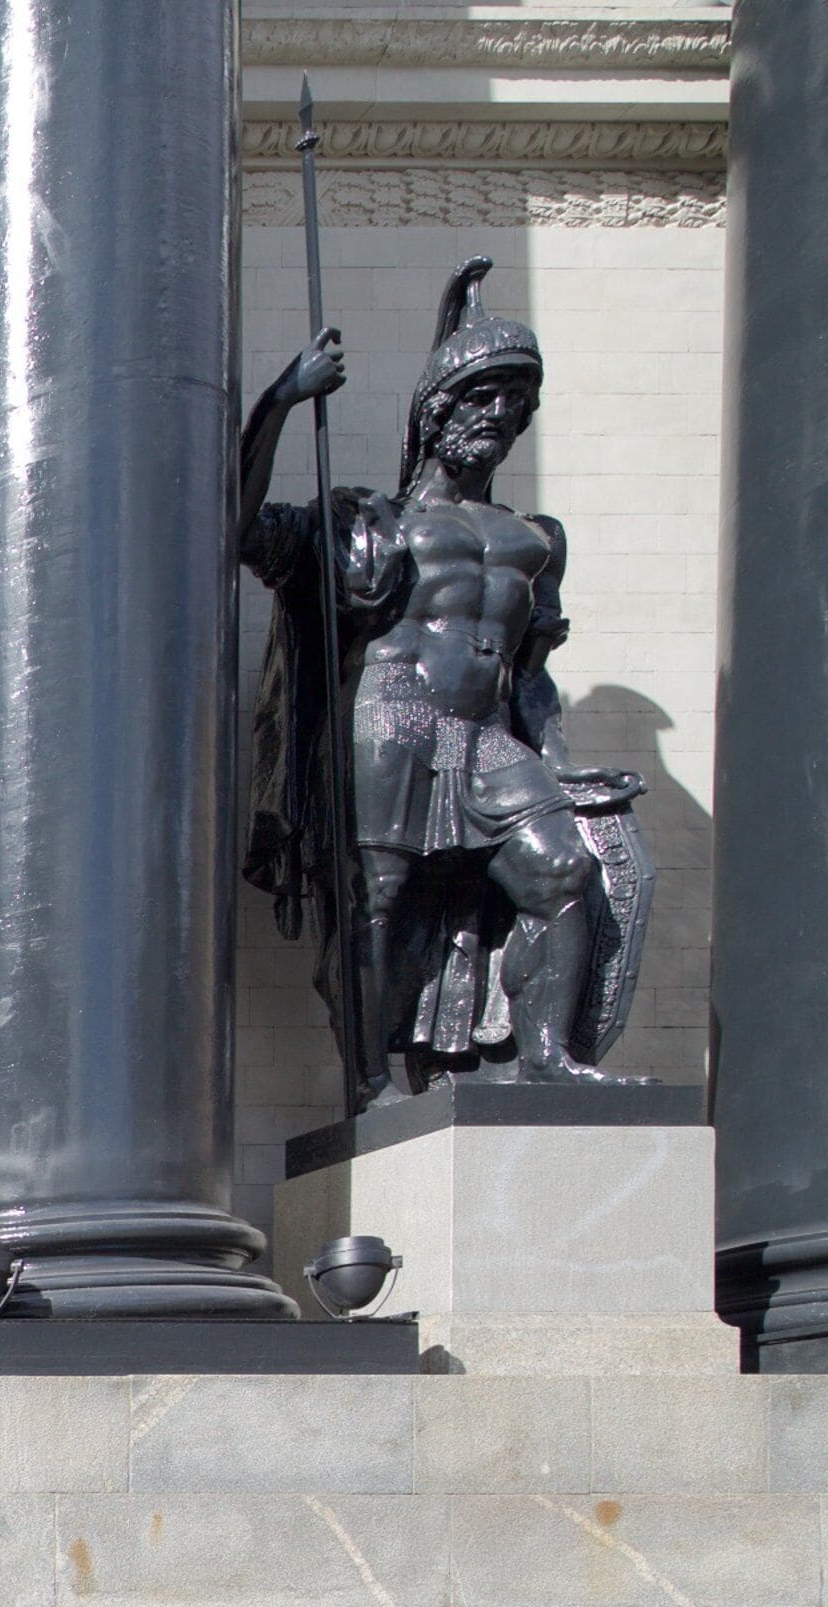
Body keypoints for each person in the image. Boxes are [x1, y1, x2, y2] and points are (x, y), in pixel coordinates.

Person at [237, 257, 650, 1107]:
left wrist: (560, 762)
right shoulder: (361, 522)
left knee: (563, 870)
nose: (499, 418)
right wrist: (281, 400)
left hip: (487, 734)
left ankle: (544, 1058)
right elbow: (234, 527)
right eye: (483, 399)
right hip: (390, 719)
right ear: (437, 411)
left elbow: (531, 673)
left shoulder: (535, 539)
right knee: (377, 902)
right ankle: (369, 1079)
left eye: (515, 404)